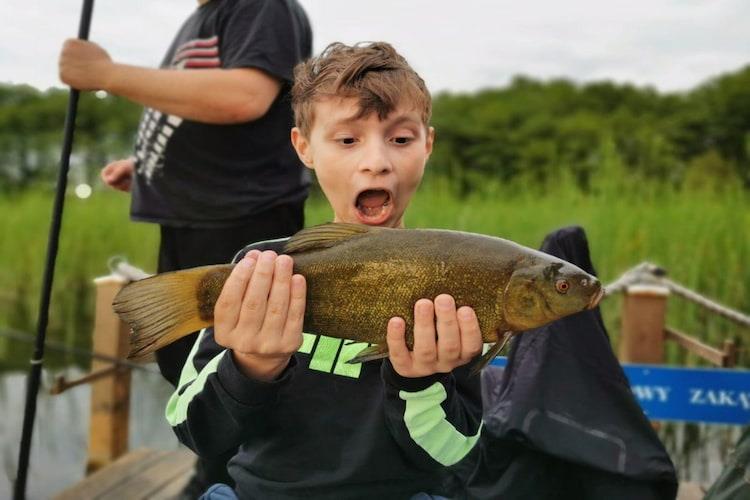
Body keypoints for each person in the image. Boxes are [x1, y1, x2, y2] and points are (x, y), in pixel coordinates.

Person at [166, 42, 484, 499]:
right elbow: (195, 431)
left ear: (427, 145)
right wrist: (250, 366)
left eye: (401, 139)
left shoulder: (458, 281)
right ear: (304, 147)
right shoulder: (262, 269)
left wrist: (421, 384)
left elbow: (453, 456)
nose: (376, 162)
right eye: (348, 140)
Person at [58, 0, 312, 495]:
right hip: (192, 220)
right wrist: (156, 169)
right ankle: (212, 467)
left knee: (233, 362)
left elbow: (245, 96)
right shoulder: (203, 17)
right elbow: (206, 110)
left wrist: (105, 73)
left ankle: (235, 481)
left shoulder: (259, 6)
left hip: (240, 225)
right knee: (184, 361)